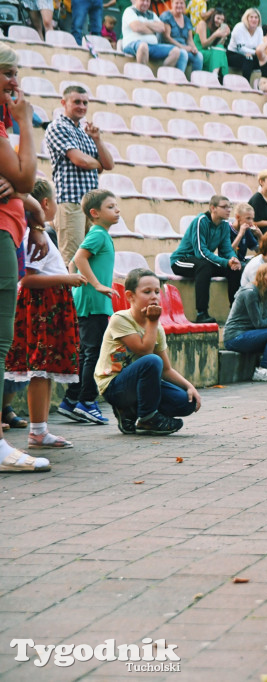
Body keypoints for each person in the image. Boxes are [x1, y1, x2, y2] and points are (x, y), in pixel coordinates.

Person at [0, 43, 52, 472]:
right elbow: (23, 175)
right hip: (1, 229)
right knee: (0, 341)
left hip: (12, 226)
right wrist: (25, 124)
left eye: (15, 71)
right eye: (5, 73)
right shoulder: (6, 122)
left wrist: (28, 204)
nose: (13, 81)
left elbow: (20, 185)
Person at [6, 180, 82, 449]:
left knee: (46, 369)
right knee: (39, 369)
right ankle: (37, 432)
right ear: (45, 204)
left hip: (52, 304)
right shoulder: (31, 235)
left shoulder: (40, 233)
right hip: (42, 306)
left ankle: (41, 430)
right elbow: (28, 280)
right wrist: (68, 278)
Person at [96, 268, 201, 435]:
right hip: (115, 387)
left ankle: (131, 414)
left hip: (140, 385)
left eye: (157, 292)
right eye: (147, 292)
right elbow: (145, 352)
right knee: (152, 361)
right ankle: (147, 418)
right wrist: (152, 322)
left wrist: (189, 386)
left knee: (186, 402)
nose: (154, 296)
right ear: (130, 296)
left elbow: (166, 370)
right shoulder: (120, 319)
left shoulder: (156, 327)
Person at [57, 189, 119, 425]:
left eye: (116, 206)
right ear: (95, 213)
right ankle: (87, 402)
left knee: (86, 353)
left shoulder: (97, 233)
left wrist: (79, 286)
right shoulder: (99, 234)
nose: (117, 210)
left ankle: (72, 400)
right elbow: (80, 259)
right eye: (111, 207)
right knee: (95, 353)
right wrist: (96, 285)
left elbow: (73, 263)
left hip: (88, 300)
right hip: (95, 302)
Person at [43, 85, 115, 267]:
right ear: (64, 103)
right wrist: (96, 164)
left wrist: (97, 139)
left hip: (91, 206)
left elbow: (109, 164)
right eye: (76, 102)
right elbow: (80, 161)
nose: (82, 106)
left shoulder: (86, 133)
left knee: (93, 260)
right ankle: (70, 297)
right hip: (70, 201)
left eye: (85, 102)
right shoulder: (56, 127)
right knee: (72, 261)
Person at [169, 194, 242, 324]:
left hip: (202, 261)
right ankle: (201, 314)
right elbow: (200, 252)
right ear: (213, 208)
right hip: (182, 261)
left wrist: (233, 260)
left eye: (229, 207)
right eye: (224, 207)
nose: (229, 210)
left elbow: (226, 249)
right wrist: (226, 262)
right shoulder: (201, 221)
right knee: (204, 266)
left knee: (234, 269)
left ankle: (235, 313)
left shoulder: (225, 225)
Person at [121, 0, 187, 71]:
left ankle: (162, 76)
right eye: (143, 1)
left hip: (152, 46)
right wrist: (154, 30)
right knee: (143, 46)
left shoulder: (152, 14)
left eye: (148, 1)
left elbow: (162, 28)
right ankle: (142, 76)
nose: (145, 3)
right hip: (132, 44)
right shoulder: (129, 11)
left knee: (176, 51)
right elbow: (137, 27)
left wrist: (145, 23)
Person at [160, 0, 203, 73]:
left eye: (181, 3)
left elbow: (190, 40)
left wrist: (194, 48)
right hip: (170, 47)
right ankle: (179, 79)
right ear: (172, 4)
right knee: (183, 53)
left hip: (184, 47)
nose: (179, 5)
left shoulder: (187, 20)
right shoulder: (166, 16)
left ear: (185, 5)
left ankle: (195, 81)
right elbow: (166, 38)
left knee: (199, 56)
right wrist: (182, 47)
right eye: (177, 3)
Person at [227, 6, 262, 82]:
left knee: (265, 60)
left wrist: (258, 53)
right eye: (251, 17)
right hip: (234, 54)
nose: (254, 19)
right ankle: (246, 84)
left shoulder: (259, 30)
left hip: (252, 54)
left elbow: (260, 47)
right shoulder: (239, 27)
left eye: (256, 17)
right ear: (246, 18)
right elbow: (240, 48)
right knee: (248, 59)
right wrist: (255, 52)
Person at [193, 6, 230, 80]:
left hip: (210, 51)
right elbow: (204, 44)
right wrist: (215, 34)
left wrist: (224, 36)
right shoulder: (202, 24)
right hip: (199, 50)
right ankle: (218, 77)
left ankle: (214, 74)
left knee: (221, 49)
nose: (220, 21)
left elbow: (218, 46)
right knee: (220, 54)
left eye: (222, 20)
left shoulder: (216, 27)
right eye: (218, 18)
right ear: (213, 17)